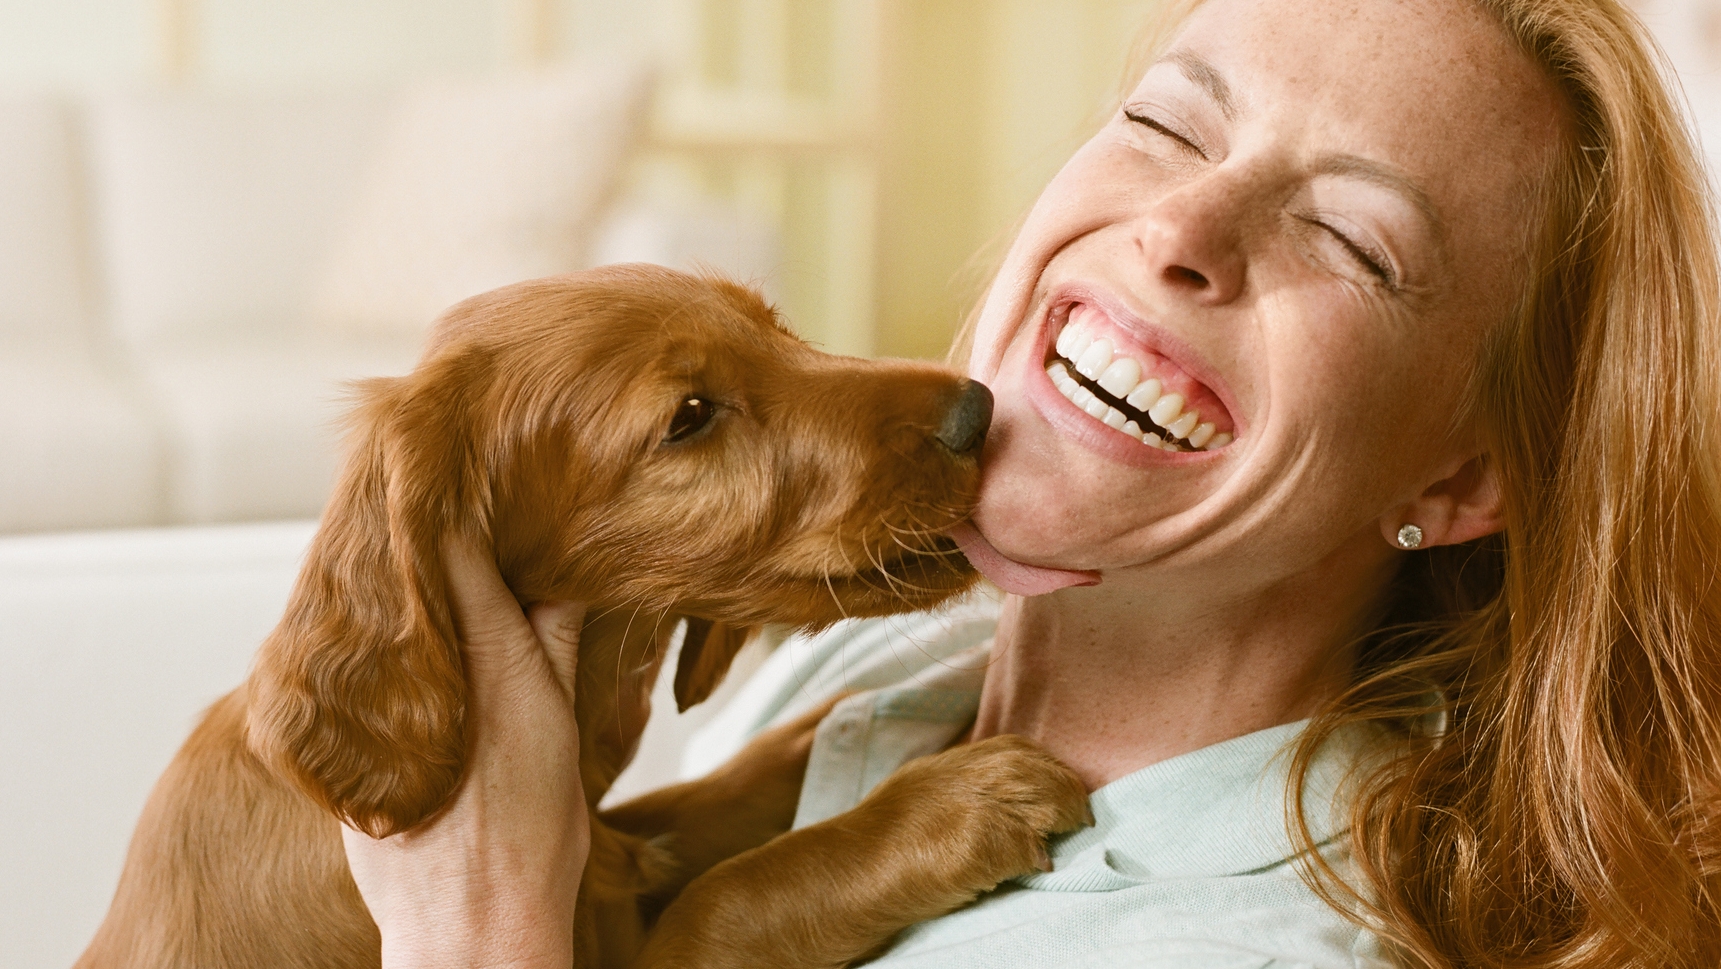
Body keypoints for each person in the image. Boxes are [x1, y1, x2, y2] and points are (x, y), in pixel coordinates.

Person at [343, 0, 1721, 966]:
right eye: (1166, 124)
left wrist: (472, 940)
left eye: (1351, 240)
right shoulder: (879, 659)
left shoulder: (1219, 947)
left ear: (1466, 473)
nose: (1179, 226)